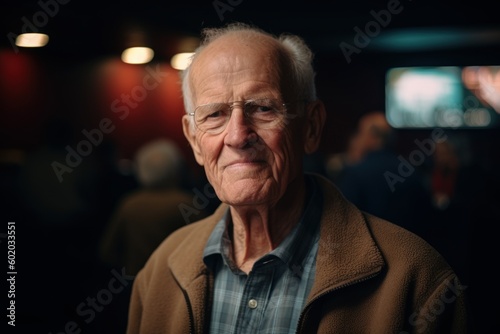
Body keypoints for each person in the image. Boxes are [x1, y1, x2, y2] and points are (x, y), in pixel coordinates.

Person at [127, 23, 468, 333]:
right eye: (214, 114)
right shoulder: (158, 273)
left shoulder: (417, 279)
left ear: (311, 127)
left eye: (263, 108)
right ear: (193, 141)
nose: (237, 135)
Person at [99, 138, 208, 276]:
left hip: (136, 281)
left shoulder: (129, 204)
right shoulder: (186, 203)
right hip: (175, 280)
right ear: (176, 168)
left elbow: (108, 252)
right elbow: (205, 248)